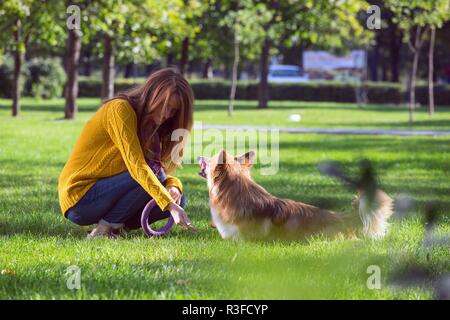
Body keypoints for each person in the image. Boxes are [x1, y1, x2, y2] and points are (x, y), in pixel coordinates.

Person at [58, 67, 197, 237]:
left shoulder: (151, 127)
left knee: (178, 199)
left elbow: (157, 171)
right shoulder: (119, 109)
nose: (167, 114)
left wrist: (174, 186)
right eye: (164, 105)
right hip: (81, 199)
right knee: (158, 187)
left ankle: (114, 225)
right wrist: (168, 203)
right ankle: (105, 229)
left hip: (108, 193)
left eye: (173, 110)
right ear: (152, 94)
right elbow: (137, 165)